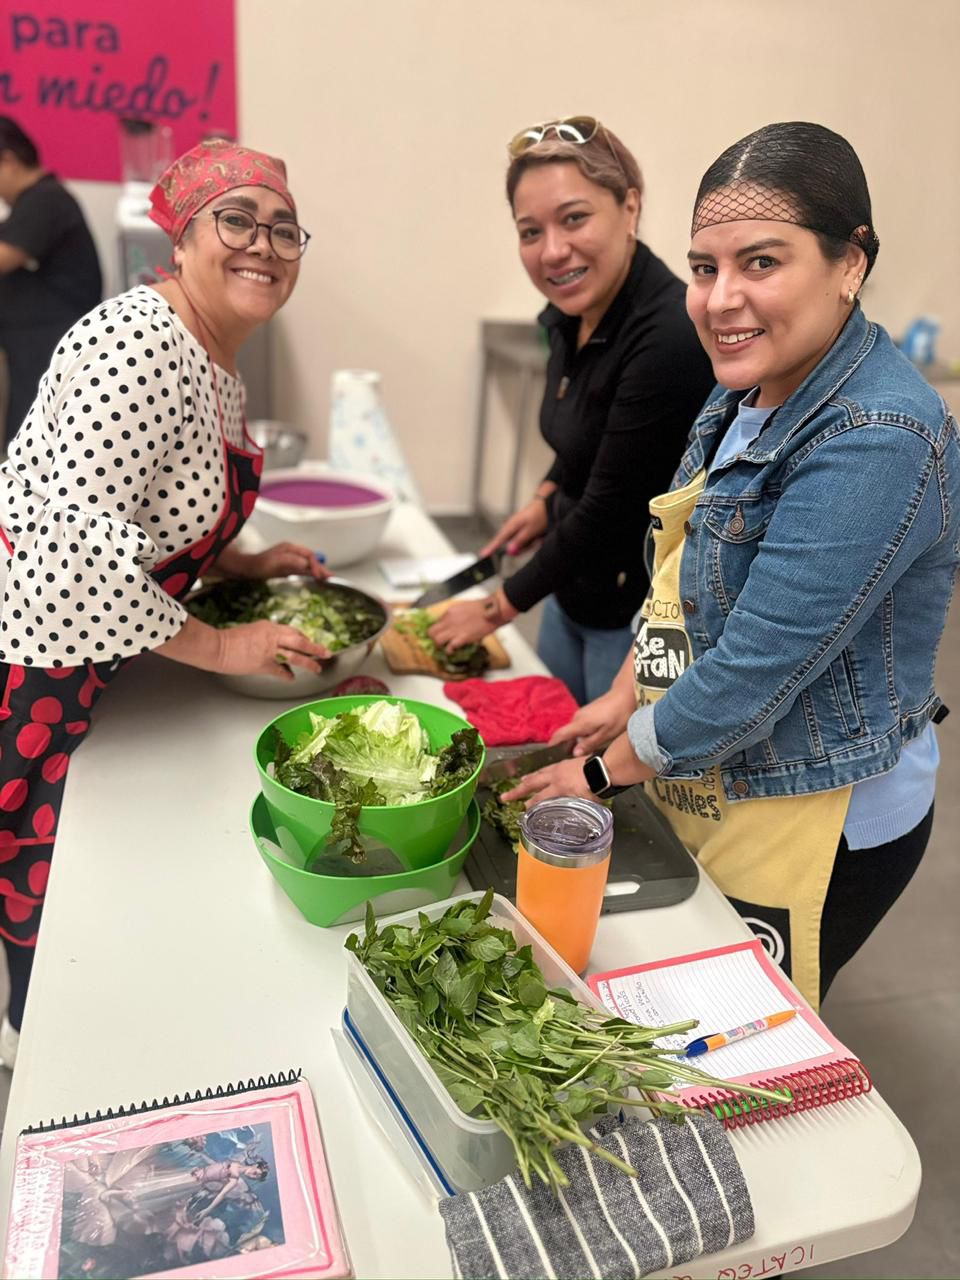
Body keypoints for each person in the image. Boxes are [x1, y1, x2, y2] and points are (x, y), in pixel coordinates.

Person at [504, 122, 960, 1009]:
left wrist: (601, 771)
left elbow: (758, 665)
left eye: (761, 262)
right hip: (716, 766)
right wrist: (627, 691)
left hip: (818, 807)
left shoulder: (881, 435)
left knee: (730, 1038)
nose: (720, 299)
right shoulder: (744, 390)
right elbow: (681, 581)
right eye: (704, 268)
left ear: (850, 262)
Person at [0, 138, 331, 1066]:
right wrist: (225, 648)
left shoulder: (209, 355)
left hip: (88, 664)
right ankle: (46, 1068)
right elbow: (75, 558)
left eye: (284, 229)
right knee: (50, 891)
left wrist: (241, 566)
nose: (264, 245)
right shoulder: (139, 342)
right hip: (30, 666)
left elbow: (144, 516)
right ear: (179, 241)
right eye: (236, 220)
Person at [429, 117, 714, 704]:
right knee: (554, 734)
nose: (553, 251)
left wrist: (496, 607)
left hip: (634, 614)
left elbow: (611, 509)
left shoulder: (667, 336)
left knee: (601, 755)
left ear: (629, 207)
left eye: (574, 218)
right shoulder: (568, 316)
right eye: (530, 231)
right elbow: (585, 436)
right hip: (573, 585)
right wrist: (544, 497)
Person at [0, 117, 102, 447]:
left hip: (49, 344)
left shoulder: (45, 199)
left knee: (36, 442)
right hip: (33, 344)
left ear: (8, 160)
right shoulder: (30, 204)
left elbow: (5, 256)